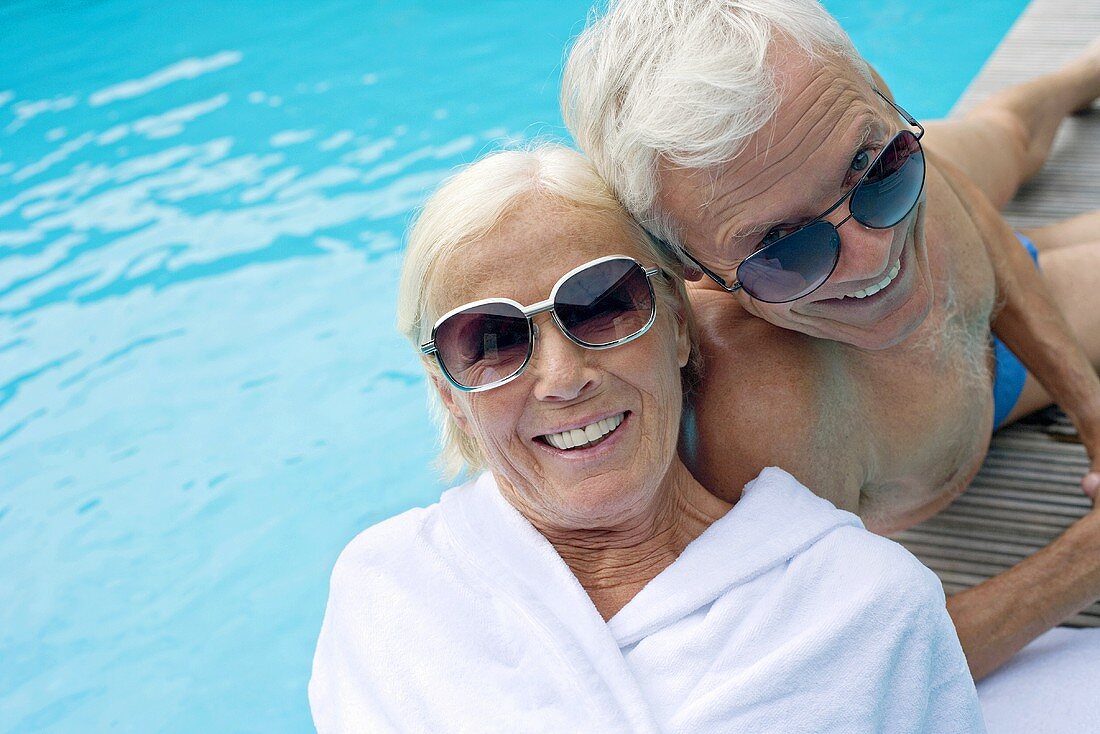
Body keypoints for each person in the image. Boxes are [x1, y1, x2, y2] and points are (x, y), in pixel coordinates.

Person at [308, 146, 985, 732]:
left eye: (603, 304)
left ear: (681, 327)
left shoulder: (867, 602)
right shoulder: (384, 590)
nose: (562, 378)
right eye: (491, 339)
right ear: (451, 394)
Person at [561, 0, 1100, 679]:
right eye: (780, 248)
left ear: (883, 94)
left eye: (877, 165)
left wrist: (1095, 415)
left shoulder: (863, 141)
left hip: (952, 302)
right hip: (985, 375)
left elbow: (989, 240)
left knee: (1009, 132)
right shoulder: (764, 424)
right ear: (689, 267)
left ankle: (1083, 71)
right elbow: (879, 660)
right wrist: (1088, 558)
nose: (874, 258)